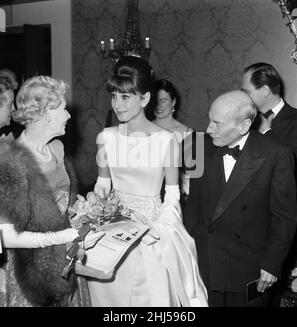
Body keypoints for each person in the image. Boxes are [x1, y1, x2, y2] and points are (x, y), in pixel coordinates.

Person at [87, 56, 208, 307]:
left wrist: (157, 228)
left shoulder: (166, 141)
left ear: (144, 98)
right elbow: (102, 188)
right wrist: (94, 212)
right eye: (114, 96)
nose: (117, 105)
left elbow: (172, 196)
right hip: (111, 233)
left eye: (125, 97)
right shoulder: (106, 137)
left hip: (151, 232)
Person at [183, 90, 297, 307]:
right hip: (207, 262)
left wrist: (272, 264)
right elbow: (194, 205)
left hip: (253, 270)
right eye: (209, 120)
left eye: (217, 123)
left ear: (244, 126)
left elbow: (285, 218)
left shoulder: (277, 154)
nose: (208, 129)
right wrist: (190, 249)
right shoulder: (199, 146)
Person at [0, 75, 100, 307]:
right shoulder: (10, 162)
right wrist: (57, 238)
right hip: (30, 275)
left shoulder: (57, 148)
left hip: (65, 264)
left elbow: (63, 202)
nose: (68, 115)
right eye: (63, 109)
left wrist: (83, 206)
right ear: (45, 112)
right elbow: (6, 236)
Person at [241, 63, 297, 306]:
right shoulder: (247, 123)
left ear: (264, 90)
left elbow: (293, 168)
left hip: (287, 226)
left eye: (247, 91)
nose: (244, 96)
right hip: (254, 228)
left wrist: (266, 136)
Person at [152, 79, 194, 202]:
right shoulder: (143, 131)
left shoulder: (187, 132)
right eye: (155, 101)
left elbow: (193, 175)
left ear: (173, 102)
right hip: (147, 195)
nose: (159, 106)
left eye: (163, 101)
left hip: (175, 196)